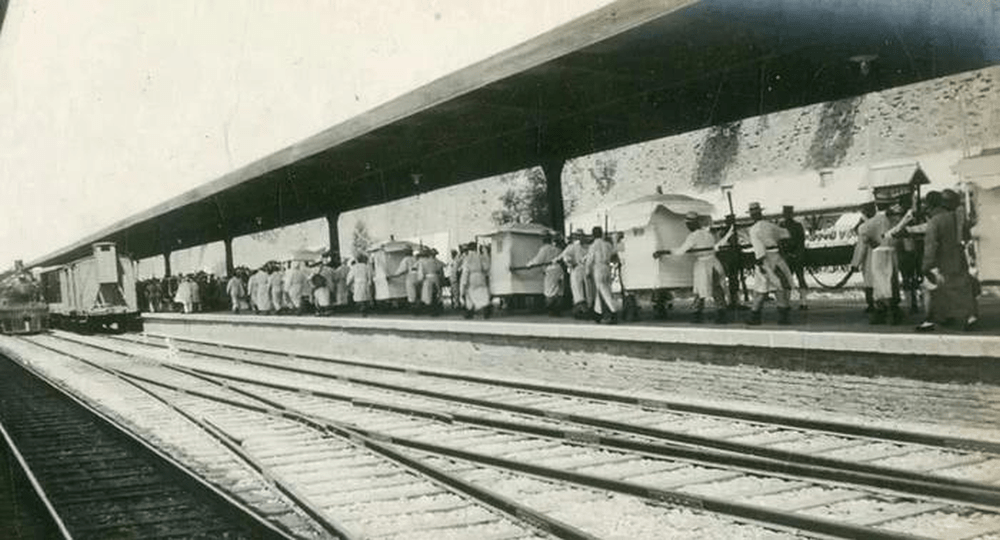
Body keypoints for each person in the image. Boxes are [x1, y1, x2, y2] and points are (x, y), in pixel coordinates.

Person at [917, 191, 978, 331]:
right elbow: (966, 237)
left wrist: (926, 265)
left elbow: (931, 246)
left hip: (941, 261)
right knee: (963, 289)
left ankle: (931, 320)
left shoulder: (935, 221)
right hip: (959, 258)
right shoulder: (958, 218)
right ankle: (971, 317)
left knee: (933, 290)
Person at [655, 211, 728, 323]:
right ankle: (721, 312)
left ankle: (698, 314)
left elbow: (681, 251)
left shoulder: (693, 237)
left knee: (700, 289)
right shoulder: (708, 234)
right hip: (714, 263)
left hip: (703, 265)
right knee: (716, 288)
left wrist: (664, 252)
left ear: (692, 224)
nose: (687, 227)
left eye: (688, 224)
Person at [746, 202, 794, 325]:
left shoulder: (754, 230)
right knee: (780, 287)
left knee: (761, 290)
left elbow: (759, 250)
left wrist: (762, 265)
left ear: (751, 215)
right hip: (777, 257)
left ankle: (754, 317)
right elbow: (787, 234)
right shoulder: (770, 226)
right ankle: (784, 317)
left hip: (765, 259)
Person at [512, 234, 564, 316]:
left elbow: (538, 260)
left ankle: (552, 309)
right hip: (559, 270)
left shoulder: (544, 249)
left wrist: (529, 265)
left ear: (544, 240)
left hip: (550, 270)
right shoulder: (557, 249)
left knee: (549, 291)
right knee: (559, 290)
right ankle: (558, 309)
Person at [584, 226, 621, 324]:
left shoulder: (593, 246)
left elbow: (590, 260)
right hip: (607, 267)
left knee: (603, 291)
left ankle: (613, 312)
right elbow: (614, 254)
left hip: (598, 268)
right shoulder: (608, 245)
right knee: (606, 290)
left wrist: (587, 271)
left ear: (593, 235)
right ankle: (598, 314)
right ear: (602, 233)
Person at [557, 230, 593, 319]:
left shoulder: (581, 247)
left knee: (581, 289)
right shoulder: (576, 247)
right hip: (581, 269)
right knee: (582, 289)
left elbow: (563, 256)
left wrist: (568, 261)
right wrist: (568, 261)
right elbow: (565, 256)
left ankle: (585, 307)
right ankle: (584, 307)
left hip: (580, 269)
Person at [779, 205, 809, 310]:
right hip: (796, 256)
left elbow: (780, 243)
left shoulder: (781, 226)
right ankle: (803, 302)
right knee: (799, 278)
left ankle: (787, 303)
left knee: (787, 280)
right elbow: (801, 242)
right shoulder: (798, 225)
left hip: (789, 257)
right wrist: (798, 254)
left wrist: (786, 255)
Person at [851, 201, 879, 314]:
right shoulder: (881, 222)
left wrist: (855, 264)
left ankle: (872, 305)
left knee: (869, 282)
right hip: (883, 257)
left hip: (870, 259)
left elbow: (861, 247)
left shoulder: (865, 227)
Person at [461, 242, 492, 318]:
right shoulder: (480, 256)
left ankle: (470, 311)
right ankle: (486, 309)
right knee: (483, 292)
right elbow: (486, 267)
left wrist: (464, 282)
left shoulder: (467, 258)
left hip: (471, 276)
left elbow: (465, 271)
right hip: (481, 276)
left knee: (469, 294)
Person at [417, 248, 446, 315]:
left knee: (427, 294)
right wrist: (442, 280)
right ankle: (436, 307)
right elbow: (442, 270)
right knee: (437, 293)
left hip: (428, 278)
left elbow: (421, 273)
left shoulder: (424, 262)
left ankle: (429, 308)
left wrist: (420, 280)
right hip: (436, 277)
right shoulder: (437, 261)